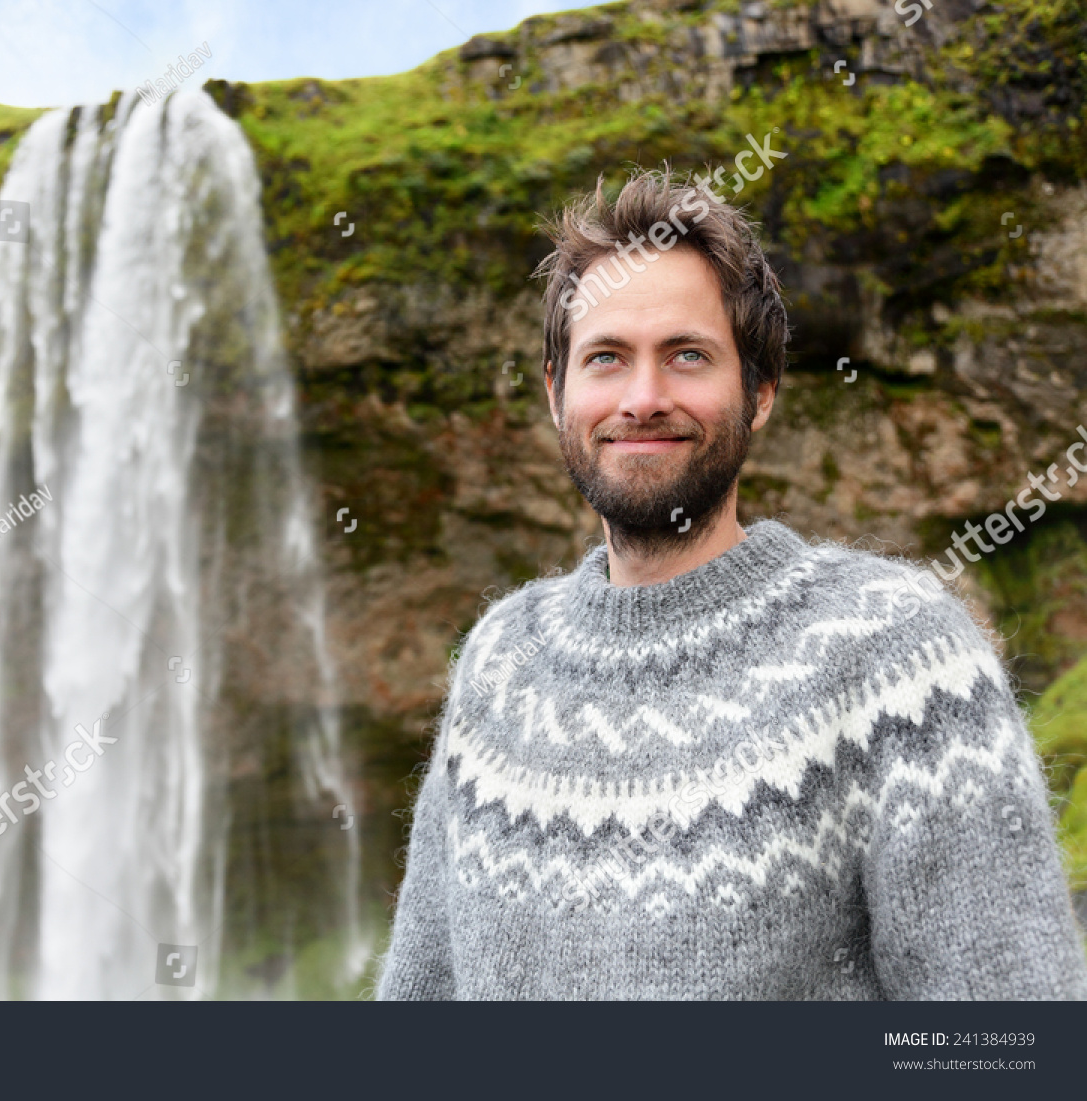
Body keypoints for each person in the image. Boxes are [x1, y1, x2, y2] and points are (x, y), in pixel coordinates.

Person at [375, 169, 1087, 999]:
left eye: (687, 355)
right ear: (554, 391)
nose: (643, 398)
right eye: (606, 357)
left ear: (760, 393)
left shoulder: (900, 658)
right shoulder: (497, 664)